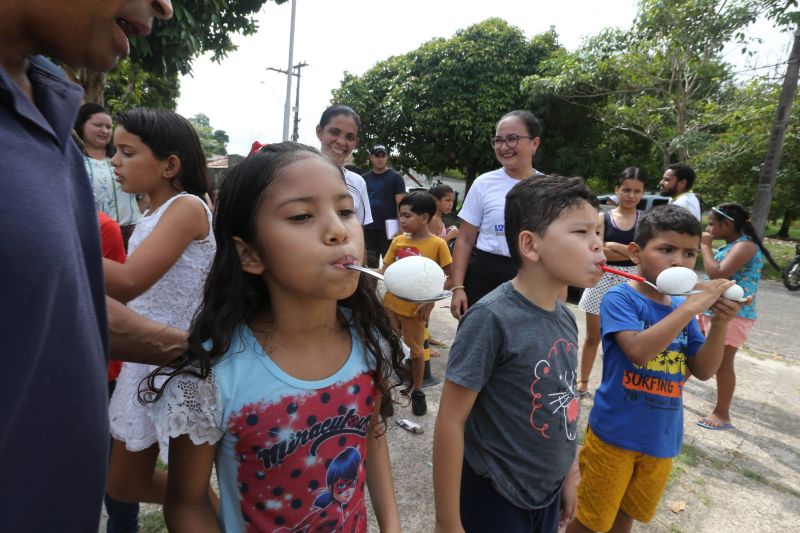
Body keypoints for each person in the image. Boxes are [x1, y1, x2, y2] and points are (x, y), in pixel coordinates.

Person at [144, 142, 406, 531]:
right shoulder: (213, 378)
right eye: (302, 215)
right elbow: (187, 503)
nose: (338, 230)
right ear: (249, 254)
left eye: (346, 210)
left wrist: (392, 526)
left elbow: (371, 435)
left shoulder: (372, 342)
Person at [0, 1, 181, 530]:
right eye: (116, 150)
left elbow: (70, 307)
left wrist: (199, 349)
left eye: (131, 152)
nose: (166, 7)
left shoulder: (46, 106)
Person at [433, 175, 603, 533]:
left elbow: (565, 403)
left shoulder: (565, 318)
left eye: (599, 233)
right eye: (581, 233)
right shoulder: (491, 318)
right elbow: (450, 421)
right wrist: (448, 522)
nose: (598, 248)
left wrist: (569, 477)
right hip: (496, 496)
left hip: (547, 493)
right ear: (530, 244)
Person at [567, 206, 740, 533]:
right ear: (636, 253)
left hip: (661, 439)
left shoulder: (680, 308)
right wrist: (691, 307)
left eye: (690, 253)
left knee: (626, 515)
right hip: (615, 435)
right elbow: (639, 352)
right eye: (666, 249)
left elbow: (703, 370)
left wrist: (719, 324)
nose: (680, 261)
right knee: (591, 521)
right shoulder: (621, 298)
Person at [104, 108, 216, 506]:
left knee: (184, 496)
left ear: (170, 165)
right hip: (146, 358)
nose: (114, 161)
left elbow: (130, 282)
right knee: (122, 485)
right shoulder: (151, 212)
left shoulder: (186, 208)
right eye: (113, 150)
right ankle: (223, 509)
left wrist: (55, 242)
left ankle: (227, 514)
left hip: (176, 362)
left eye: (127, 152)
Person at [449, 110, 544, 320]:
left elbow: (556, 247)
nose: (503, 147)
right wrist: (458, 287)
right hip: (484, 275)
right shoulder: (483, 183)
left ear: (534, 143)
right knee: (477, 345)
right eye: (498, 140)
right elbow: (464, 240)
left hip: (532, 277)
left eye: (512, 139)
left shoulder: (547, 188)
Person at [696, 203, 782, 430]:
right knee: (694, 351)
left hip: (733, 315)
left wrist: (705, 246)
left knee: (723, 364)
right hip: (715, 310)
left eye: (712, 224)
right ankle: (672, 393)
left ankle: (722, 414)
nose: (709, 227)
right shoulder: (733, 245)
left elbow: (718, 272)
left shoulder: (745, 246)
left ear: (726, 225)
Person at [576, 167, 646, 396]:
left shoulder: (646, 222)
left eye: (637, 191)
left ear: (643, 192)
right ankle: (583, 381)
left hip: (632, 283)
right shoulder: (602, 218)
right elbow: (597, 250)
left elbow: (645, 254)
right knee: (593, 337)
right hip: (601, 279)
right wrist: (631, 251)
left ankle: (617, 385)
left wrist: (615, 247)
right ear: (617, 190)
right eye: (626, 189)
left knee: (626, 341)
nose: (631, 195)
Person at [382, 191, 453, 415]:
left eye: (407, 216)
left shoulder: (438, 244)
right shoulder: (397, 241)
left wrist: (430, 301)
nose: (401, 220)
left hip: (415, 312)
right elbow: (384, 272)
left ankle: (418, 391)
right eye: (400, 215)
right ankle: (385, 393)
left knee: (416, 352)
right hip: (391, 306)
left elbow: (449, 279)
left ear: (424, 218)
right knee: (387, 348)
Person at [98, 211, 142, 533]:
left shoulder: (103, 228)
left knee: (116, 479)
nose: (118, 164)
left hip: (105, 368)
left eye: (129, 155)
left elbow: (124, 288)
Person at [76, 102, 142, 248]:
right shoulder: (74, 161)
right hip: (97, 235)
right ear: (81, 125)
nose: (104, 131)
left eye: (108, 127)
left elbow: (144, 193)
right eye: (98, 125)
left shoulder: (125, 157)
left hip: (133, 231)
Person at [316, 104, 373, 225]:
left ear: (356, 143)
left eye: (350, 137)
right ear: (319, 132)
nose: (341, 142)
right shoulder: (297, 177)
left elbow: (358, 230)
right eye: (334, 132)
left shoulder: (357, 183)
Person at [363, 144, 406, 267]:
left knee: (391, 264)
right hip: (368, 228)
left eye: (383, 155)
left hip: (390, 229)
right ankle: (370, 287)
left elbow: (401, 205)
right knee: (370, 265)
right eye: (377, 155)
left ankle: (392, 287)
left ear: (387, 157)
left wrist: (402, 228)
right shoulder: (364, 179)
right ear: (371, 157)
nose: (380, 158)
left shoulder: (396, 178)